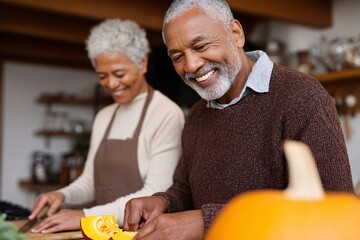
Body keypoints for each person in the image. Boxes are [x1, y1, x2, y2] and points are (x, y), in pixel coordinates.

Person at [122, 0, 355, 239]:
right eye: (178, 57)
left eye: (200, 46)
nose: (191, 65)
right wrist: (163, 202)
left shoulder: (301, 97)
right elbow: (185, 189)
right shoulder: (197, 115)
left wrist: (206, 221)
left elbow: (335, 207)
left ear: (236, 34)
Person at [28, 19, 185, 233]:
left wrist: (85, 216)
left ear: (142, 63)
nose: (111, 84)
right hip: (103, 233)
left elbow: (155, 194)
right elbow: (90, 182)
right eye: (103, 76)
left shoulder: (166, 114)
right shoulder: (104, 116)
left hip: (145, 234)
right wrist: (62, 195)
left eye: (119, 74)